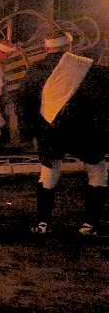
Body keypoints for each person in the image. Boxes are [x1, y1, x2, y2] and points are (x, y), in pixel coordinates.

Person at [17, 31, 109, 235]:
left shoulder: (36, 68)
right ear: (69, 46)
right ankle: (89, 225)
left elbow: (24, 102)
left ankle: (43, 224)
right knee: (97, 173)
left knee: (49, 172)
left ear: (47, 47)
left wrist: (28, 132)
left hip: (49, 129)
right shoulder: (87, 66)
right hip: (83, 130)